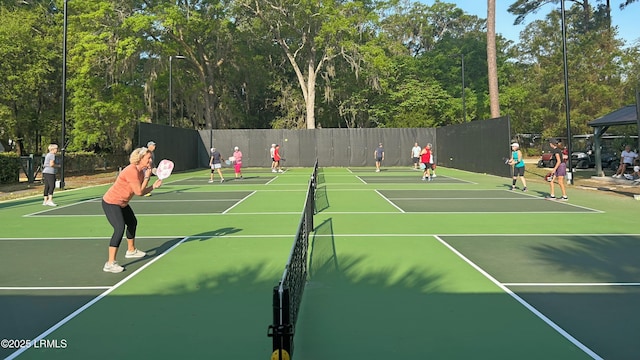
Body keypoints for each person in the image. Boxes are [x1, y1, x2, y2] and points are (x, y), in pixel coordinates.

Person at [102, 147, 163, 273]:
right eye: (148, 158)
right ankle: (110, 263)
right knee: (119, 228)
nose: (150, 160)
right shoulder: (132, 171)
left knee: (132, 222)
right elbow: (139, 192)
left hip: (122, 203)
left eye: (151, 158)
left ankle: (131, 250)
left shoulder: (141, 171)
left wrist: (153, 186)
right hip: (111, 202)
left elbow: (140, 190)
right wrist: (147, 178)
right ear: (140, 159)